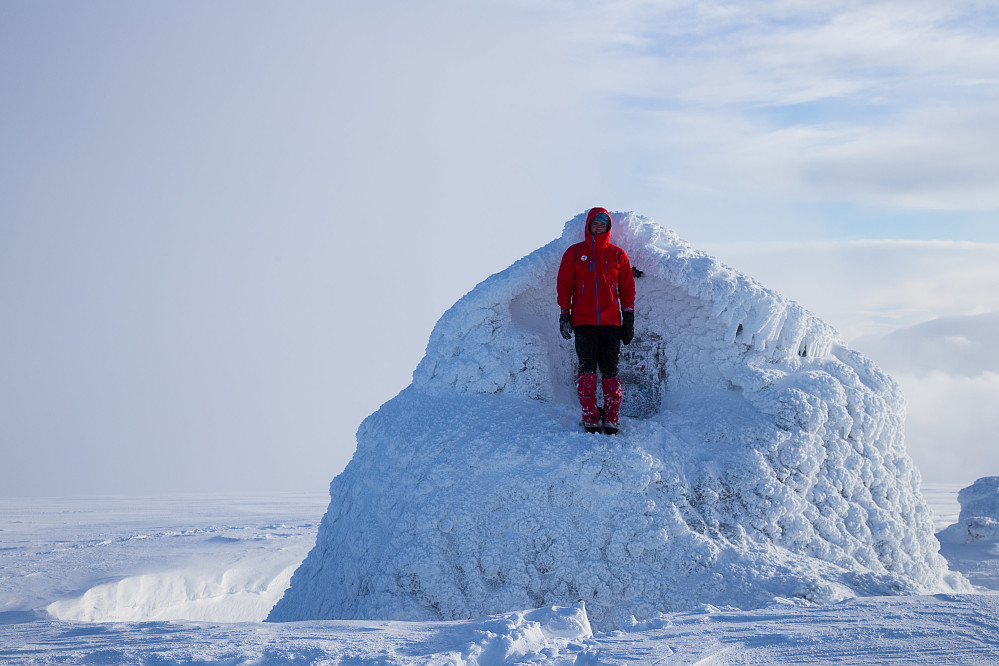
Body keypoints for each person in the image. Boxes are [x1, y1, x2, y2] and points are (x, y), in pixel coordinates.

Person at [556, 207, 636, 434]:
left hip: (611, 322)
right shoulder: (574, 253)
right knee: (587, 368)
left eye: (603, 223)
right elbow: (564, 285)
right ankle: (590, 417)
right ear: (588, 225)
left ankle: (611, 419)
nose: (598, 226)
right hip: (583, 321)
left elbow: (627, 287)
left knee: (611, 369)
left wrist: (628, 316)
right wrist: (565, 313)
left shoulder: (617, 254)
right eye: (595, 223)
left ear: (608, 227)